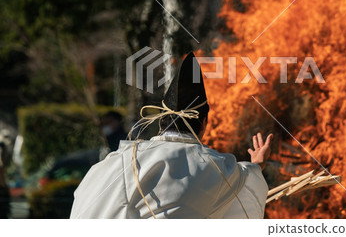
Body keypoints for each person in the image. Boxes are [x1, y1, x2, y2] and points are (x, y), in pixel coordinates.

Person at [70, 52, 272, 218]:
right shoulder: (217, 168)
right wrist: (257, 166)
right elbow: (245, 186)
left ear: (161, 121)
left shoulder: (112, 162)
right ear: (204, 123)